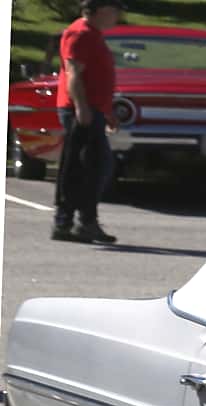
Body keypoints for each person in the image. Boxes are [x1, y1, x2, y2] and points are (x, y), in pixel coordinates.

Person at [52, 0, 122, 244]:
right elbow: (73, 74)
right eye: (114, 10)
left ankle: (74, 222)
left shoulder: (92, 34)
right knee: (86, 167)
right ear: (100, 10)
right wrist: (81, 107)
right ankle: (77, 223)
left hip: (92, 110)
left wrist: (107, 110)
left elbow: (95, 77)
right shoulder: (80, 34)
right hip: (80, 110)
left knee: (90, 167)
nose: (117, 15)